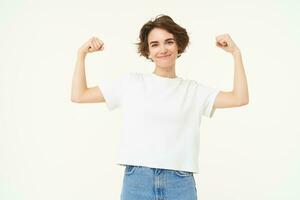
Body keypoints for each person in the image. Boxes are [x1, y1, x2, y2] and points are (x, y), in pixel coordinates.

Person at [71, 14, 249, 200]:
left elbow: (240, 98)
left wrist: (236, 54)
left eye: (169, 42)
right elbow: (79, 95)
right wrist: (81, 55)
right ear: (147, 51)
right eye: (155, 44)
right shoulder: (130, 83)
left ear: (179, 45)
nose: (162, 49)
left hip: (179, 183)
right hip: (137, 181)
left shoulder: (193, 90)